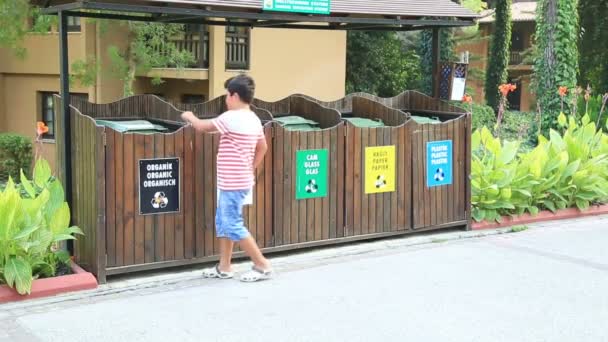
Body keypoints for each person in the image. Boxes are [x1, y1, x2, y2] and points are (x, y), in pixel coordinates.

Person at [180, 74, 272, 282]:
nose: (225, 99)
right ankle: (225, 267)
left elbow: (202, 127)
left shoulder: (231, 117)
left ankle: (262, 265)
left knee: (231, 224)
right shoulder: (253, 119)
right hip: (236, 180)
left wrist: (189, 116)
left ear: (235, 95)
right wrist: (250, 168)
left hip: (232, 182)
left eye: (227, 95)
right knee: (223, 222)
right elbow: (263, 147)